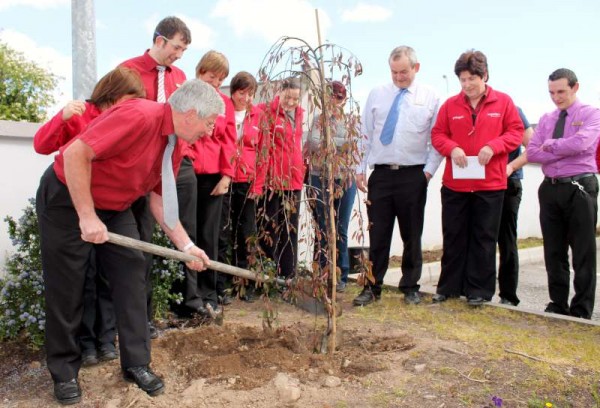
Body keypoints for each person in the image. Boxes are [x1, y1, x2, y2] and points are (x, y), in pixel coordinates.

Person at [36, 79, 224, 405]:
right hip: (68, 198)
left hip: (113, 207)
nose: (209, 132)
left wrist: (187, 247)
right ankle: (65, 371)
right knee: (68, 286)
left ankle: (137, 363)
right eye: (209, 123)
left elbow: (160, 203)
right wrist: (86, 215)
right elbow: (77, 154)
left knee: (132, 276)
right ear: (192, 114)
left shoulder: (175, 145)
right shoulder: (139, 116)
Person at [34, 66, 146, 366]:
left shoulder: (130, 121)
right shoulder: (83, 114)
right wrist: (62, 117)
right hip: (73, 207)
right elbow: (42, 145)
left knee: (108, 277)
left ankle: (107, 340)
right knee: (79, 279)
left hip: (109, 208)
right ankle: (84, 346)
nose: (130, 108)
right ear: (110, 96)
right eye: (127, 100)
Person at [431, 49, 523, 306]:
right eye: (463, 79)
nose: (467, 84)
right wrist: (453, 148)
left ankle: (479, 291)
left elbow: (515, 132)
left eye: (472, 78)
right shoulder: (450, 105)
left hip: (490, 185)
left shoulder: (504, 102)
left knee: (484, 238)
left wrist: (494, 146)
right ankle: (448, 287)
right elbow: (438, 135)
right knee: (453, 236)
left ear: (485, 76)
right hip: (455, 185)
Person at [353, 46, 443, 306]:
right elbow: (364, 134)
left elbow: (435, 140)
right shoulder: (377, 94)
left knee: (411, 234)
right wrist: (360, 168)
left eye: (404, 71)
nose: (399, 77)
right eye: (394, 72)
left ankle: (410, 286)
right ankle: (372, 287)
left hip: (413, 175)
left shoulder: (430, 97)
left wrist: (427, 173)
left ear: (416, 67)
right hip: (381, 176)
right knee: (378, 234)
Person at [120, 16, 191, 334]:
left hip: (159, 173)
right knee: (121, 252)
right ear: (159, 40)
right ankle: (113, 327)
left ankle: (144, 320)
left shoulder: (180, 78)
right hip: (127, 174)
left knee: (145, 247)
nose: (178, 55)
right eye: (176, 47)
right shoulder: (128, 71)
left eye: (183, 50)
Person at [527, 68, 600, 319]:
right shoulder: (547, 119)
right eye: (551, 93)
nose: (556, 97)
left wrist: (552, 145)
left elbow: (582, 143)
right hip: (551, 187)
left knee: (583, 251)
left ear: (575, 88)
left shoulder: (592, 114)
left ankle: (581, 309)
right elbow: (533, 152)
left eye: (561, 91)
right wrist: (561, 147)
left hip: (580, 187)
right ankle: (557, 303)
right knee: (554, 250)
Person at [189, 50, 237, 311]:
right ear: (199, 73)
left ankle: (208, 294)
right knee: (187, 235)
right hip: (187, 174)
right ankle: (187, 295)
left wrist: (227, 175)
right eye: (211, 77)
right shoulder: (186, 96)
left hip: (213, 178)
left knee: (209, 236)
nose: (216, 84)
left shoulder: (225, 104)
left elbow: (230, 141)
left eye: (220, 80)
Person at [305, 80, 357, 292]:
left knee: (341, 228)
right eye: (331, 97)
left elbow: (352, 145)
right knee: (324, 227)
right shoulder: (318, 120)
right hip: (320, 177)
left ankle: (341, 274)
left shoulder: (351, 120)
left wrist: (332, 145)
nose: (335, 101)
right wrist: (338, 145)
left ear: (344, 100)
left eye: (339, 97)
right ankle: (323, 271)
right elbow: (315, 144)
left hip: (344, 179)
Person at [217, 71, 264, 301]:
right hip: (225, 179)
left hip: (247, 182)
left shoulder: (258, 117)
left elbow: (263, 154)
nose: (244, 98)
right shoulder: (222, 110)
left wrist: (258, 185)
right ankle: (223, 283)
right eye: (241, 92)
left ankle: (245, 284)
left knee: (247, 233)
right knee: (224, 232)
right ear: (233, 91)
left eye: (249, 93)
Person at [255, 77, 305, 279]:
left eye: (295, 98)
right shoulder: (265, 111)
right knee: (269, 229)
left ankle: (288, 275)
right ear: (279, 92)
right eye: (288, 97)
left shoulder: (300, 114)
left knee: (290, 228)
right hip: (272, 181)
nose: (291, 102)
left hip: (294, 180)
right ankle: (266, 273)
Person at [497, 107, 533, 306]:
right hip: (478, 184)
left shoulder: (513, 110)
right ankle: (475, 290)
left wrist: (511, 167)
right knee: (478, 239)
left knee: (506, 240)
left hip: (507, 183)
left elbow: (533, 146)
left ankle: (508, 295)